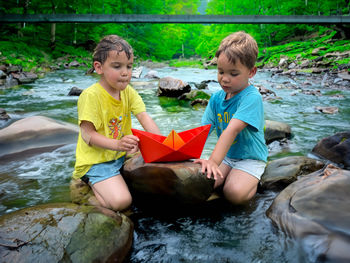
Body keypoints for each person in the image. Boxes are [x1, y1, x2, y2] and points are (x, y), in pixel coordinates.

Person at [73, 35, 161, 211]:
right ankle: (84, 192)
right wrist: (118, 144)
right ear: (99, 67)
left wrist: (161, 145)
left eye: (129, 67)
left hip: (121, 155)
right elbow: (87, 135)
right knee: (122, 202)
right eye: (117, 66)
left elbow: (144, 117)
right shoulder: (91, 96)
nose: (125, 72)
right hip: (96, 161)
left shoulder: (128, 92)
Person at [194, 31, 268, 205]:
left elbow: (232, 130)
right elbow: (202, 131)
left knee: (233, 193)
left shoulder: (252, 97)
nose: (224, 79)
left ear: (251, 72)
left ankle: (255, 185)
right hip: (227, 157)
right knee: (203, 183)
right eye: (220, 72)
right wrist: (184, 154)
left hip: (251, 158)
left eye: (233, 74)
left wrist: (212, 161)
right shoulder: (216, 99)